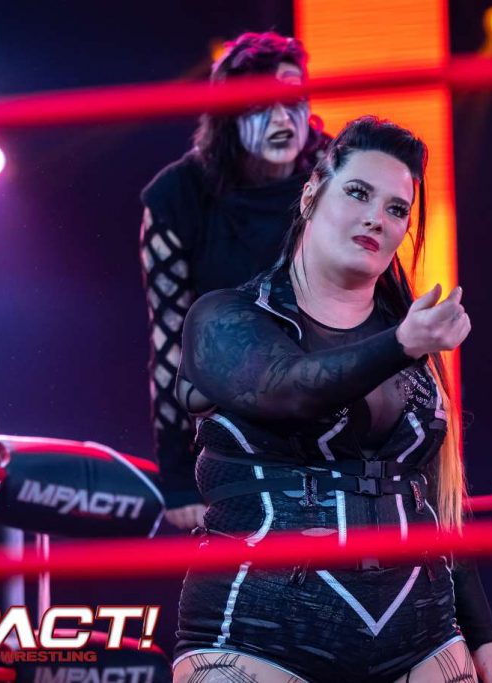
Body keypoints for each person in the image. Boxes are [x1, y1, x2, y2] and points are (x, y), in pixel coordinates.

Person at [170, 117, 492, 682]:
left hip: (424, 643)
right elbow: (287, 388)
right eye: (357, 192)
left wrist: (484, 634)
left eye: (396, 209)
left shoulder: (413, 342)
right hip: (254, 642)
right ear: (311, 195)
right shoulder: (226, 316)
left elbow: (439, 500)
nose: (376, 217)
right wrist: (402, 344)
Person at [140, 32, 328, 530]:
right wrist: (178, 476)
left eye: (293, 100)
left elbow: (380, 311)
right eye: (260, 105)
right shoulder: (177, 195)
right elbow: (170, 344)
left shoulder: (336, 174)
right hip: (233, 427)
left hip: (334, 414)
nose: (282, 119)